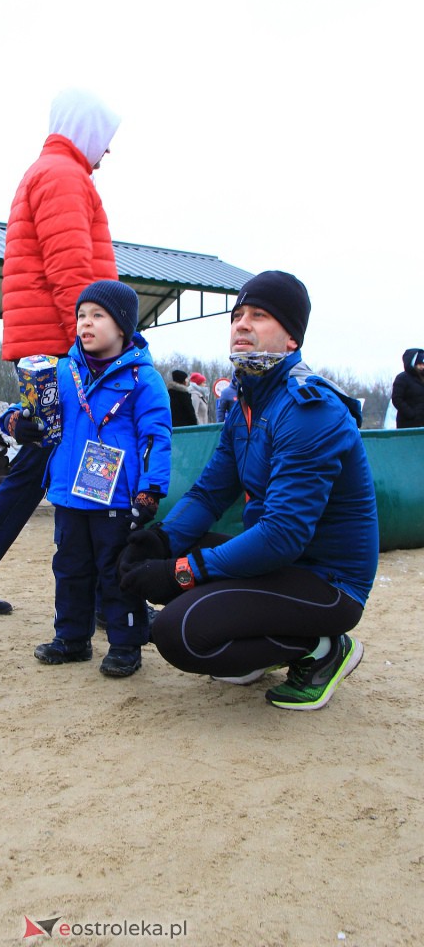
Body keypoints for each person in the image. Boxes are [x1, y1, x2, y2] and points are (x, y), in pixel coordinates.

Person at [119, 270, 379, 711]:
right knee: (168, 551)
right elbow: (209, 493)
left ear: (292, 339)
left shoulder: (309, 409)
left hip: (326, 581)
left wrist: (181, 572)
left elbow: (282, 534)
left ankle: (322, 649)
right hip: (277, 562)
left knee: (178, 633)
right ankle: (258, 645)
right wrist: (159, 540)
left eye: (259, 315)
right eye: (238, 314)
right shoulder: (247, 401)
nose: (242, 323)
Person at [0, 87, 121, 615]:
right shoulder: (64, 177)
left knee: (43, 461)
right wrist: (90, 348)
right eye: (104, 141)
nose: (107, 153)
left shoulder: (50, 172)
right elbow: (71, 275)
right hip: (62, 349)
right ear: (86, 133)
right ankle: (106, 600)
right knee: (88, 458)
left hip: (48, 345)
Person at [4, 281, 171, 677]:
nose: (86, 324)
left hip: (116, 498)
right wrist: (15, 422)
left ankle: (126, 643)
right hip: (68, 493)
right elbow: (27, 406)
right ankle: (72, 638)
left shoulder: (142, 379)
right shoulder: (62, 371)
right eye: (81, 315)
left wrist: (150, 488)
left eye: (98, 315)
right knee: (70, 569)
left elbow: (157, 435)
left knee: (117, 572)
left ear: (123, 327)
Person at [391, 348, 424, 428]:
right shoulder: (402, 378)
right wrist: (412, 414)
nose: (422, 367)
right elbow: (397, 399)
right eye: (419, 364)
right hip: (408, 424)